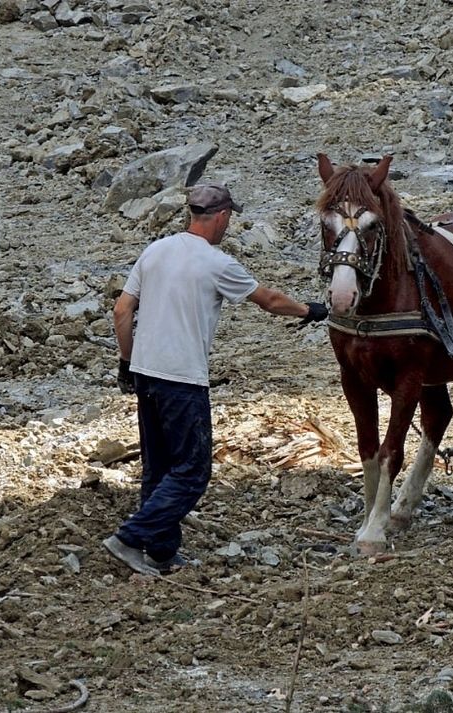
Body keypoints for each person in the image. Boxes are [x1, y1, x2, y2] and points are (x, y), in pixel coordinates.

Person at [104, 183, 328, 575]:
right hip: (183, 378)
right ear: (222, 216)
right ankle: (130, 537)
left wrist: (127, 361)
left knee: (158, 468)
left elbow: (122, 310)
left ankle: (160, 551)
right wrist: (309, 310)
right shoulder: (216, 263)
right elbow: (270, 301)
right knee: (192, 472)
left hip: (145, 373)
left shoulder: (155, 251)